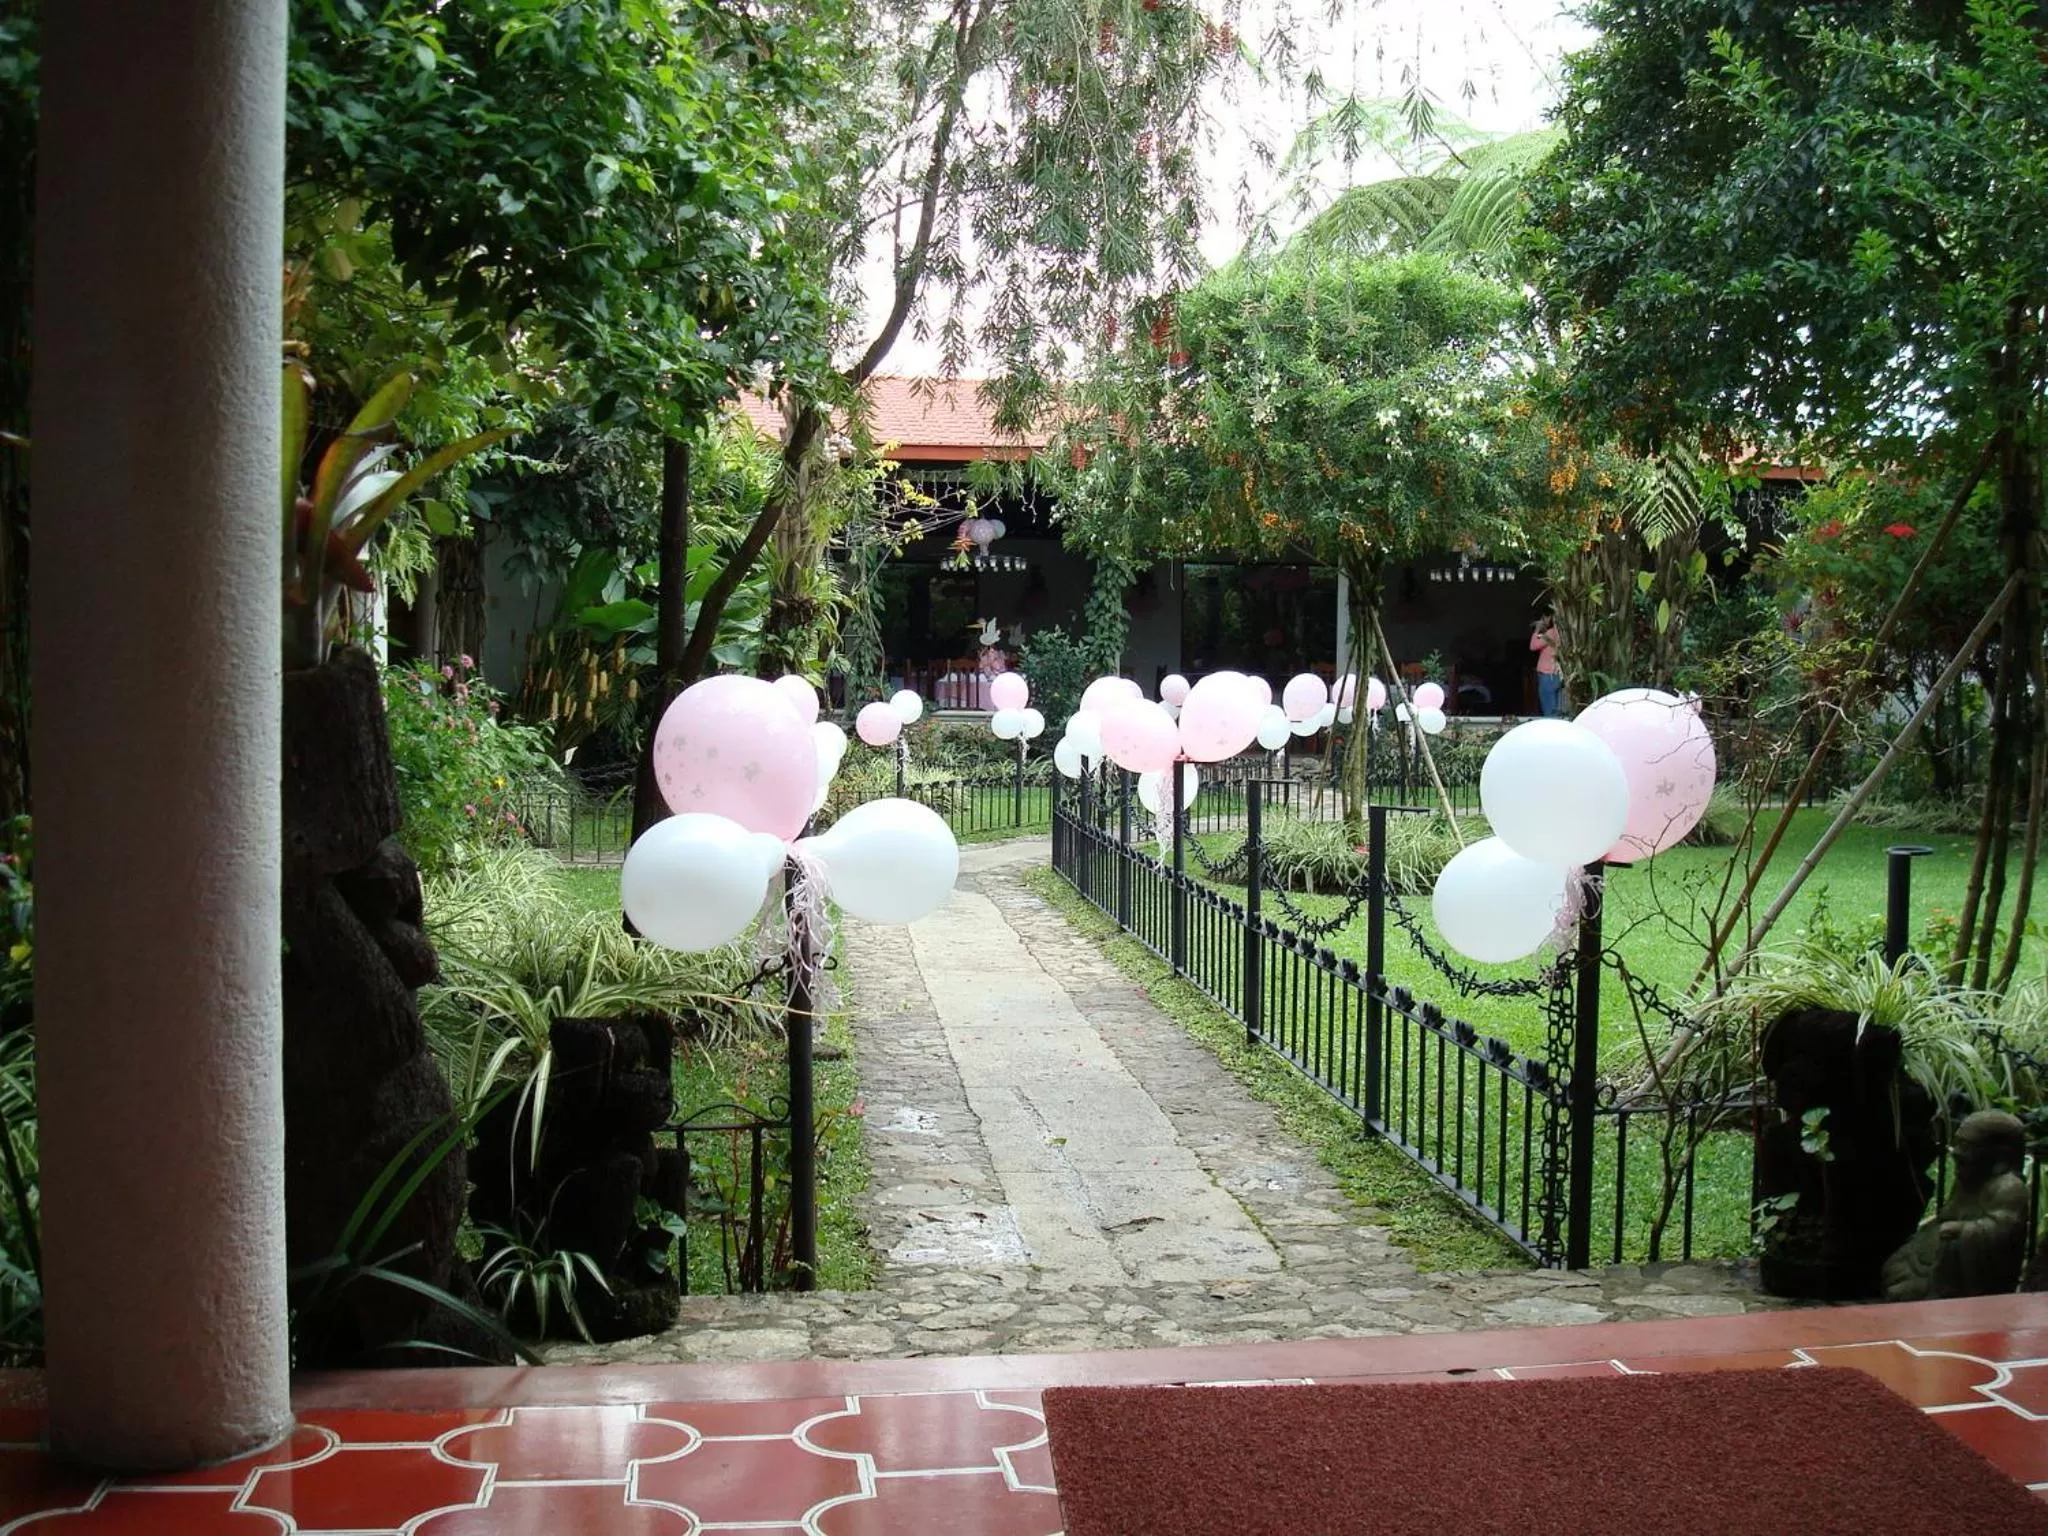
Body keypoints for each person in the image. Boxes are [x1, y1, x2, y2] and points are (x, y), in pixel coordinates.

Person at [1530, 615, 1563, 717]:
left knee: (1550, 713)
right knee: (1558, 710)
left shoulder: (1551, 633)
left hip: (1548, 675)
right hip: (1558, 675)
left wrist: (1537, 629)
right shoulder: (1564, 634)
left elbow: (1533, 646)